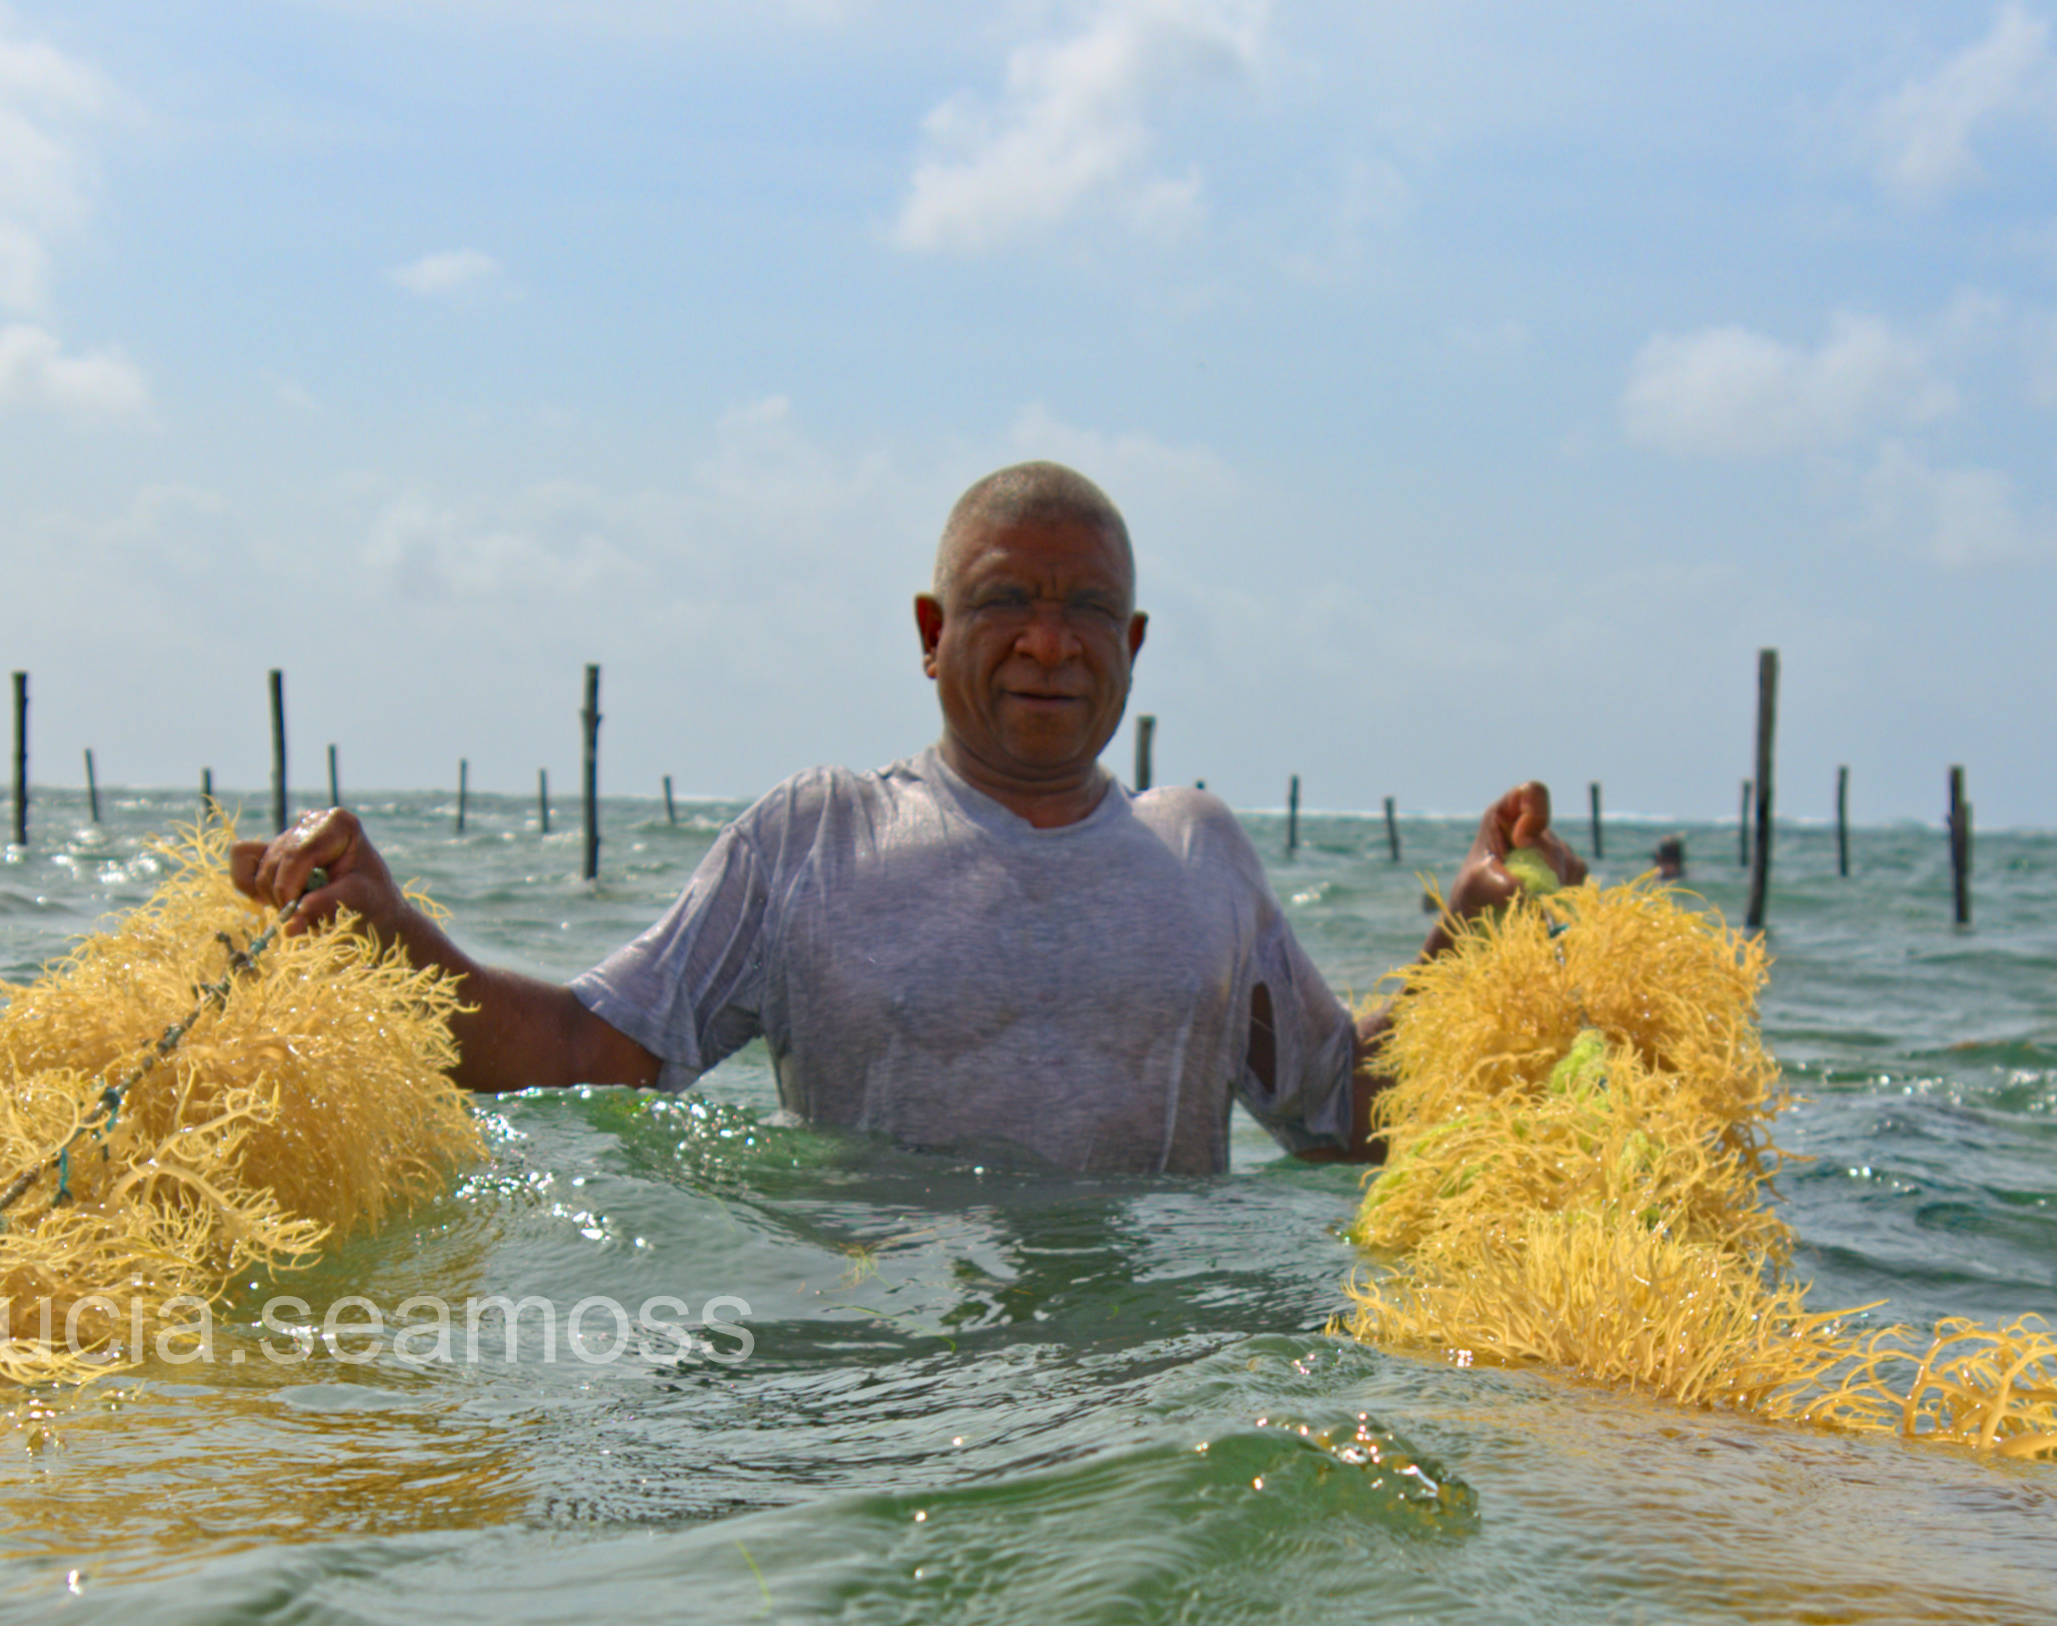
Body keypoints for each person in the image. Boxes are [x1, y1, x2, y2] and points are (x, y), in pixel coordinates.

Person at [230, 461, 1580, 1173]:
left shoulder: (1200, 851)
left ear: (1136, 642)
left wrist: (1474, 944)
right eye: (1005, 602)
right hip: (878, 1385)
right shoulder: (813, 839)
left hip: (1155, 1400)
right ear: (932, 634)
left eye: (1088, 610)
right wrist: (396, 941)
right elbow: (592, 1046)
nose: (1049, 640)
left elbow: (1343, 1113)